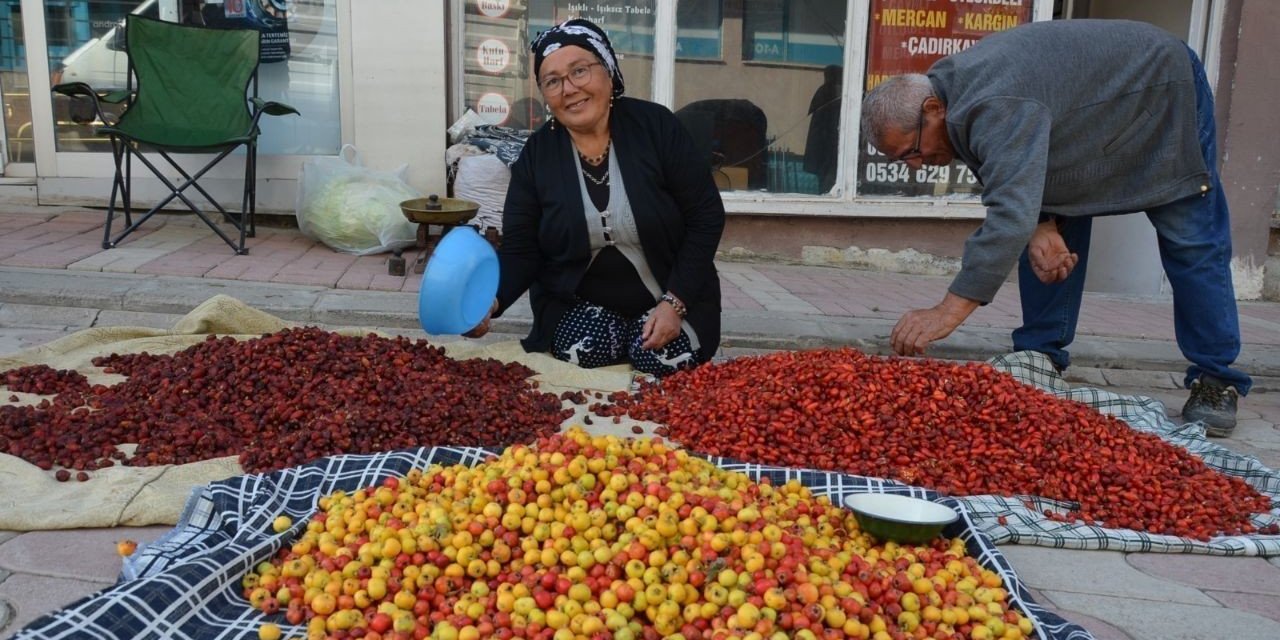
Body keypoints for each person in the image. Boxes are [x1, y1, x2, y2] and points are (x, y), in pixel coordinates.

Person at [859, 19, 1250, 436]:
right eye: (904, 160)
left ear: (932, 110)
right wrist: (1041, 223)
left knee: (1190, 238)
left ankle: (1217, 378)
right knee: (1043, 234)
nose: (916, 165)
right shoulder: (949, 94)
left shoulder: (993, 102)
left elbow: (1010, 215)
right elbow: (1008, 178)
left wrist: (947, 311)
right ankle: (1040, 354)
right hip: (1082, 118)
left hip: (1160, 90)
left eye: (913, 151)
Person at [465, 18, 725, 377]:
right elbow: (522, 250)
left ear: (608, 71)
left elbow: (706, 216)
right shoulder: (538, 156)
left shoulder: (656, 128)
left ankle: (649, 329)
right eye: (552, 81)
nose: (569, 89)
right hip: (581, 309)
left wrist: (675, 303)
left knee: (662, 358)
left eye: (580, 71)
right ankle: (620, 337)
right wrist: (490, 302)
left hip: (671, 298)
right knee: (582, 348)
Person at [804, 65, 842, 193]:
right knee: (828, 180)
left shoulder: (825, 91)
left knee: (826, 181)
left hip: (824, 148)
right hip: (827, 147)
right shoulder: (830, 91)